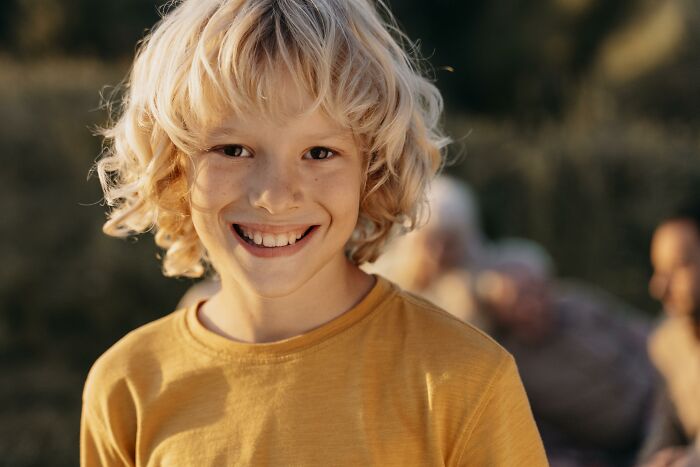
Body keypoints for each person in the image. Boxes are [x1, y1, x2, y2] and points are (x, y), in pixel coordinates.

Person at [80, 1, 547, 465]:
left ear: (374, 170)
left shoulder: (467, 381)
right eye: (233, 149)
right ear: (173, 166)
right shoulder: (126, 387)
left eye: (319, 152)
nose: (275, 196)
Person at [474, 239, 652, 466]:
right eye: (517, 301)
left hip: (658, 402)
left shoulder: (579, 303)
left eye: (537, 291)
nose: (533, 306)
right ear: (498, 313)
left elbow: (645, 333)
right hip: (610, 452)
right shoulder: (508, 364)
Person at [362, 175, 486, 324]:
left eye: (449, 244)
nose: (438, 253)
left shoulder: (478, 289)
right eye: (430, 242)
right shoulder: (373, 282)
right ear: (413, 242)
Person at [639, 205, 700, 466]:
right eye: (658, 270)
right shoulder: (665, 341)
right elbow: (663, 425)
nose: (659, 286)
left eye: (678, 266)